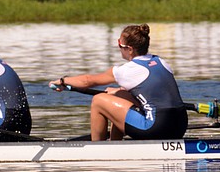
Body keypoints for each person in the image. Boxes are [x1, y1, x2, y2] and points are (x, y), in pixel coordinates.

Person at [49, 24, 187, 141]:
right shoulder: (161, 62)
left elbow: (87, 81)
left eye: (120, 45)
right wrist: (118, 93)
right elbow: (151, 94)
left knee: (98, 100)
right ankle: (115, 143)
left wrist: (63, 81)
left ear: (130, 49)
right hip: (180, 126)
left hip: (154, 128)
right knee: (119, 95)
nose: (118, 47)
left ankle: (97, 150)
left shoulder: (127, 70)